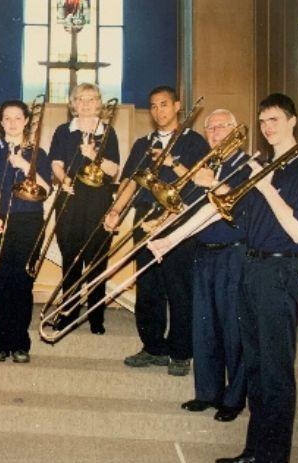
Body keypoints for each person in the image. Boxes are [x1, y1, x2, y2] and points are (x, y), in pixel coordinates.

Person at [149, 93, 298, 463]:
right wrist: (171, 238)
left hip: (278, 269)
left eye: (274, 120)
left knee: (274, 372)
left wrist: (266, 187)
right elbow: (220, 210)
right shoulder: (268, 165)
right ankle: (255, 451)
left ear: (292, 121)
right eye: (263, 121)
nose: (268, 128)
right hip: (252, 268)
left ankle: (273, 457)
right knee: (255, 367)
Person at [104, 86, 209, 376]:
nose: (158, 111)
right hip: (145, 219)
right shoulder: (142, 144)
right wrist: (115, 211)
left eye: (164, 104)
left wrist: (172, 161)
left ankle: (180, 352)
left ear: (177, 106)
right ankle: (153, 347)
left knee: (179, 289)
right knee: (148, 286)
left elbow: (200, 184)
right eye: (153, 106)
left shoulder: (194, 142)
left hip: (178, 222)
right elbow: (130, 183)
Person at [177, 109, 247, 423]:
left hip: (233, 254)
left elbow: (240, 206)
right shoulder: (208, 165)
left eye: (222, 126)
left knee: (233, 328)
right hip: (203, 251)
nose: (216, 132)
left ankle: (234, 398)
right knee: (204, 327)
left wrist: (213, 183)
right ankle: (207, 392)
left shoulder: (247, 163)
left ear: (235, 130)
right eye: (211, 128)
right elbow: (191, 208)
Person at [0, 100, 51, 363]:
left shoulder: (37, 153)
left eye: (17, 118)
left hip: (29, 220)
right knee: (1, 281)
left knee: (22, 282)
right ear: (0, 122)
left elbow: (47, 190)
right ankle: (0, 343)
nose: (12, 123)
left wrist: (24, 165)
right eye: (7, 118)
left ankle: (20, 343)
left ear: (26, 121)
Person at [48, 83, 120, 335]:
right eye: (81, 99)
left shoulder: (109, 132)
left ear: (99, 103)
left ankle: (96, 317)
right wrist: (63, 179)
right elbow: (55, 163)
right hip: (70, 201)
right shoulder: (63, 131)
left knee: (97, 262)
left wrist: (93, 156)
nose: (87, 104)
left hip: (98, 202)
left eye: (92, 99)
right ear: (73, 104)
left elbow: (114, 171)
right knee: (71, 261)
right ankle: (68, 314)